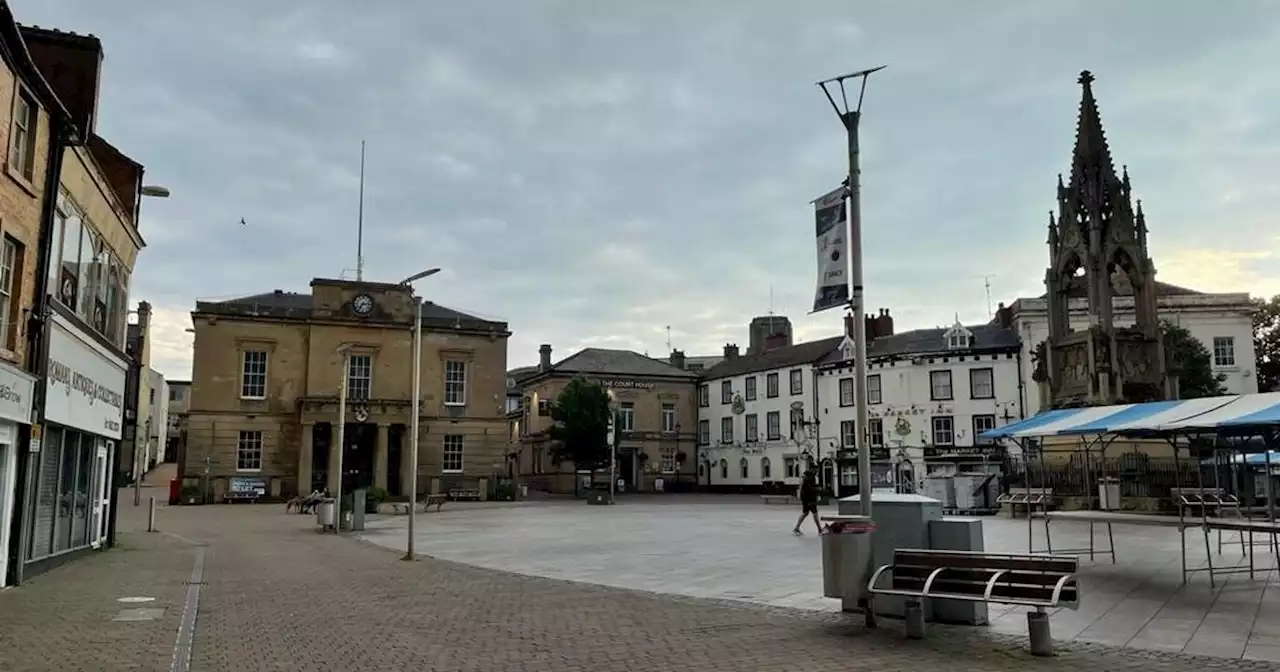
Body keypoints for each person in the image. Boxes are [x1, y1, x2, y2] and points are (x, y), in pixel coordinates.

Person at [793, 469, 823, 536]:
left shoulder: (806, 480)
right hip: (810, 500)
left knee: (805, 513)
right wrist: (817, 489)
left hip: (806, 500)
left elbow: (810, 487)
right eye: (817, 472)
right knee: (815, 514)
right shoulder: (809, 479)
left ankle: (796, 528)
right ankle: (820, 530)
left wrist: (816, 487)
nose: (817, 473)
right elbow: (809, 489)